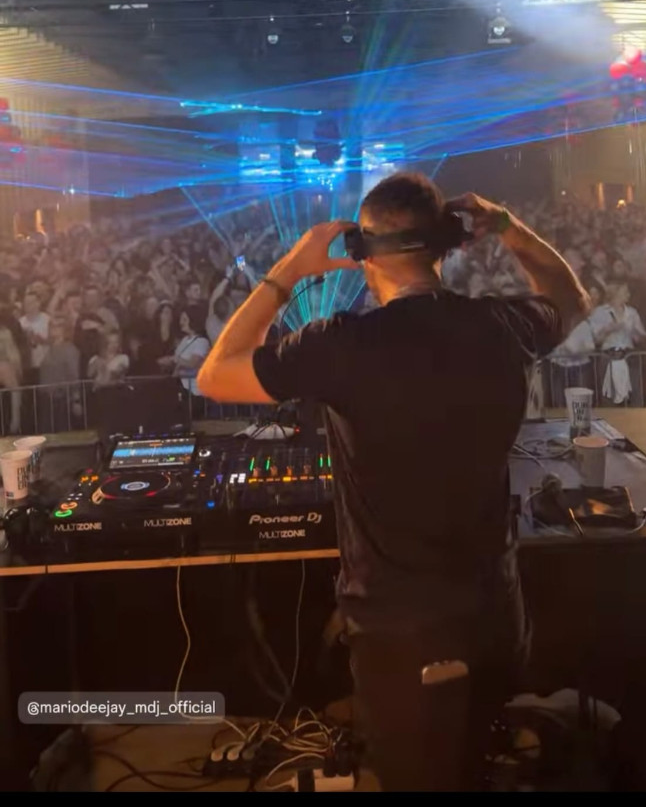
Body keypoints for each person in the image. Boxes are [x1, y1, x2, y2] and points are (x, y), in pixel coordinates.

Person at [197, 173, 587, 792]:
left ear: (360, 251)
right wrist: (509, 229)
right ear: (448, 243)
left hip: (400, 628)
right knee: (474, 763)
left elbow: (215, 375)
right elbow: (570, 297)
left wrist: (288, 272)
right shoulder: (503, 324)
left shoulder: (341, 343)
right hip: (494, 610)